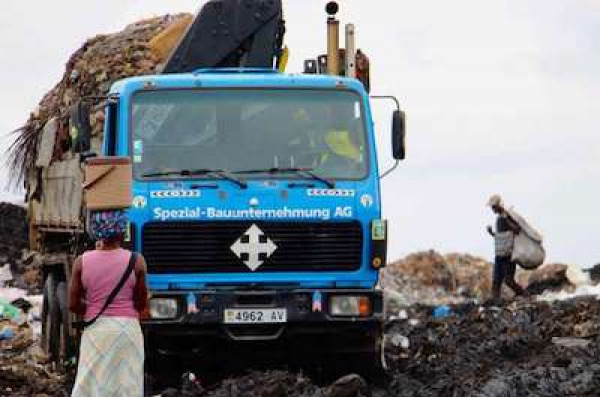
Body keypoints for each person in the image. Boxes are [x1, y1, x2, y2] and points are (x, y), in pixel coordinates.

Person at [69, 210, 149, 396]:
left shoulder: (81, 262)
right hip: (127, 332)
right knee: (127, 385)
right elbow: (140, 303)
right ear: (122, 232)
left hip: (97, 332)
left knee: (92, 383)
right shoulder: (136, 261)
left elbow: (73, 304)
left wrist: (93, 309)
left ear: (96, 232)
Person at [486, 195, 527, 299]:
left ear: (499, 205)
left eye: (494, 207)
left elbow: (517, 230)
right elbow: (502, 237)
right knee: (496, 281)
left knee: (508, 280)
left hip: (509, 255)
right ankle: (494, 304)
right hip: (499, 254)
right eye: (492, 207)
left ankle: (524, 294)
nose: (492, 209)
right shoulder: (499, 218)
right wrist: (492, 233)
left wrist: (507, 220)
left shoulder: (507, 216)